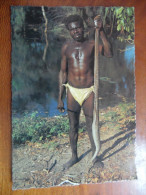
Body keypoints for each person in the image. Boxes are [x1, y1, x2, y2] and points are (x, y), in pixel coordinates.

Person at [57, 14, 112, 169]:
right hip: (72, 92)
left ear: (83, 27)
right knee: (73, 126)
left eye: (78, 27)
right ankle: (74, 156)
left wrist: (101, 32)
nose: (76, 32)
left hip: (89, 91)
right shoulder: (66, 47)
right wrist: (59, 97)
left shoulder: (92, 44)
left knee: (91, 124)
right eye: (73, 29)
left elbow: (109, 53)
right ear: (69, 31)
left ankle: (95, 157)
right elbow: (63, 72)